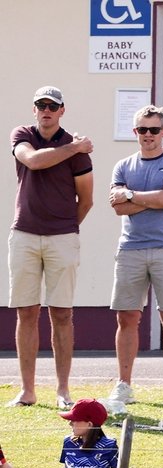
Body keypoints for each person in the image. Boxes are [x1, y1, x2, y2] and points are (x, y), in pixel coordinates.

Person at [9, 85, 92, 409]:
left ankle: (62, 391)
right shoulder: (23, 135)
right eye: (41, 105)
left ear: (61, 110)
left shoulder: (77, 151)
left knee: (62, 314)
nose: (46, 110)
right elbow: (32, 161)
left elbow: (86, 199)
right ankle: (28, 391)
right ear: (34, 110)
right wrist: (73, 147)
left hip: (62, 238)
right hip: (24, 235)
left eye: (52, 106)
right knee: (26, 312)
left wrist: (67, 228)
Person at [108, 104, 163, 411]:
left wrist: (132, 196)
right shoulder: (123, 166)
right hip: (130, 248)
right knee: (126, 317)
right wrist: (152, 199)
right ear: (135, 132)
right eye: (142, 130)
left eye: (154, 130)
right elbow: (117, 207)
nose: (148, 135)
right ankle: (124, 385)